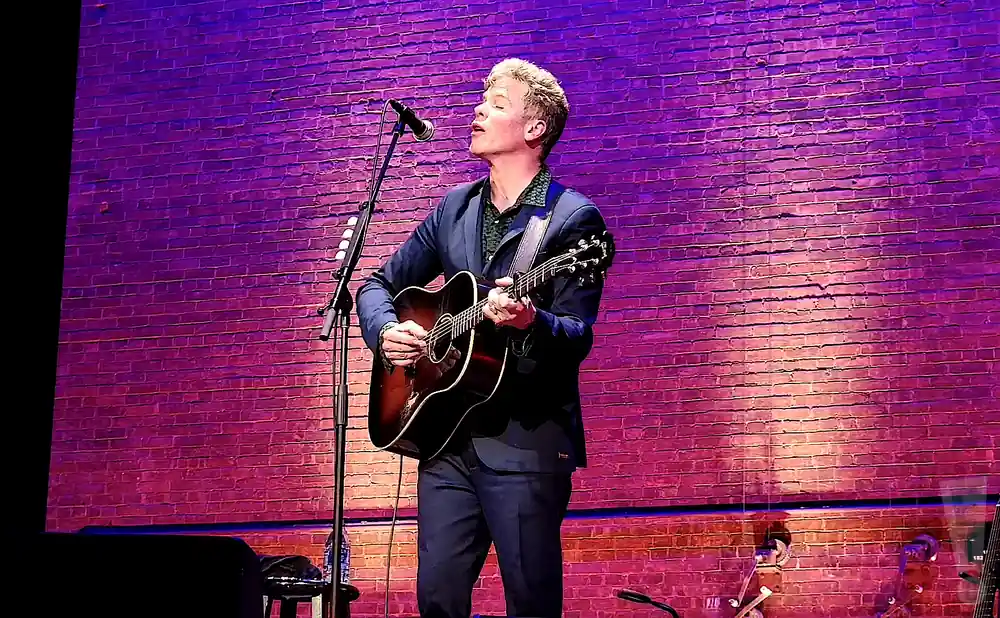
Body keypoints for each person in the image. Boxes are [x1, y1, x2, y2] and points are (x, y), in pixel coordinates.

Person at [356, 58, 608, 618]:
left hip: (524, 444)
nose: (477, 110)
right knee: (437, 600)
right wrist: (386, 333)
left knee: (530, 604)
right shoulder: (454, 207)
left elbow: (576, 335)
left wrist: (528, 322)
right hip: (444, 437)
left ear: (533, 129)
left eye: (495, 103)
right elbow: (375, 284)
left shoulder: (572, 221)